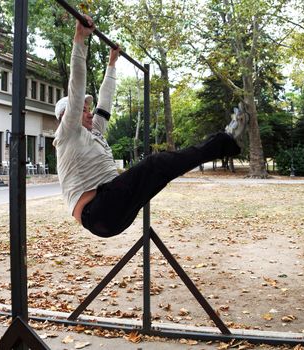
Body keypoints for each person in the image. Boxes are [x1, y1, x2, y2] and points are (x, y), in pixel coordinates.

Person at [54, 17, 248, 238]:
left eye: (89, 108)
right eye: (83, 110)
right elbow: (76, 87)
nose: (89, 113)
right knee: (156, 164)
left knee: (161, 172)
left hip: (115, 214)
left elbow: (105, 103)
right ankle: (225, 139)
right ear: (66, 116)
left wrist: (112, 64)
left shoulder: (93, 131)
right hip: (98, 212)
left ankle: (224, 141)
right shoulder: (69, 133)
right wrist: (79, 39)